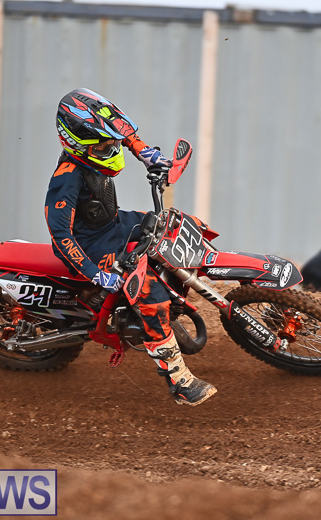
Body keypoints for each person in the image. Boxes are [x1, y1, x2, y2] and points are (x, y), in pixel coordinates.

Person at [45, 88, 216, 406]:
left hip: (111, 223)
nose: (112, 147)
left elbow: (123, 132)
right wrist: (96, 274)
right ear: (77, 143)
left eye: (112, 142)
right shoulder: (66, 178)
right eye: (104, 145)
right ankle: (178, 381)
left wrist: (146, 153)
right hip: (90, 246)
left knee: (178, 224)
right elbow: (61, 236)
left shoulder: (93, 144)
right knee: (151, 295)